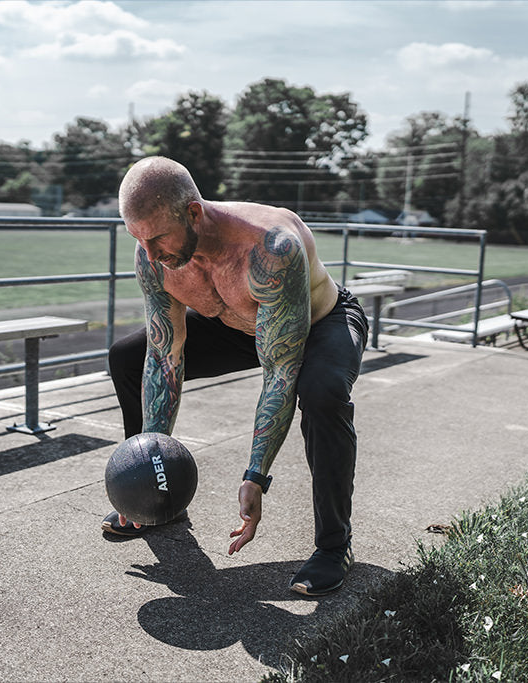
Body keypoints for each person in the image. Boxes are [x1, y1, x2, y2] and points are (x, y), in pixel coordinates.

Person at [101, 156, 368, 596]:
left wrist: (255, 477)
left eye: (157, 238)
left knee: (321, 393)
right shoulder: (153, 255)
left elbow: (281, 372)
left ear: (192, 213)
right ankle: (155, 505)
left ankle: (335, 546)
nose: (150, 255)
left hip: (322, 323)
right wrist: (147, 472)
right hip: (239, 326)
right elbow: (165, 356)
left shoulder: (270, 247)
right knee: (128, 357)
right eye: (138, 239)